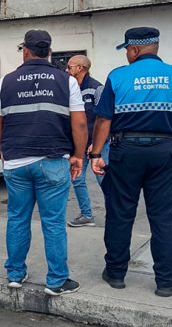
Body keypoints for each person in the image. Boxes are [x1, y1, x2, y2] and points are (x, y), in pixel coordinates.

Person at [90, 27, 172, 297]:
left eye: (126, 49)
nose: (126, 54)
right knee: (162, 216)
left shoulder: (118, 77)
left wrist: (96, 154)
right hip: (164, 151)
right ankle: (167, 281)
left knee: (120, 212)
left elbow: (104, 120)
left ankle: (115, 273)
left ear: (135, 49)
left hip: (126, 151)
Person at [0, 29, 87, 296]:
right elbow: (79, 122)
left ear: (26, 50)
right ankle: (56, 280)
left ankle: (15, 274)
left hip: (16, 162)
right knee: (54, 222)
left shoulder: (5, 82)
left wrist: (3, 149)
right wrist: (78, 154)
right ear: (49, 51)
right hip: (53, 160)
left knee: (17, 218)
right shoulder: (66, 81)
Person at [66, 55, 109, 228]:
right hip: (80, 145)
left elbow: (105, 118)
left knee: (103, 180)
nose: (66, 70)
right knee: (77, 179)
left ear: (81, 68)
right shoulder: (70, 89)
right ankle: (86, 214)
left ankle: (114, 214)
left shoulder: (97, 88)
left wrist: (97, 143)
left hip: (99, 145)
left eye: (70, 67)